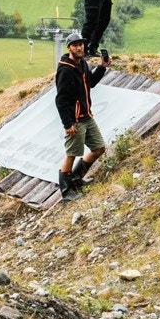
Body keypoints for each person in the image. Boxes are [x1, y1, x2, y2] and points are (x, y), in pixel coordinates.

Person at [54, 31, 108, 201]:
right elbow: (60, 99)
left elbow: (90, 83)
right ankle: (66, 190)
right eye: (75, 45)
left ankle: (76, 180)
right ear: (69, 47)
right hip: (75, 120)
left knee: (99, 148)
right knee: (72, 154)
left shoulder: (82, 63)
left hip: (87, 116)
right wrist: (67, 123)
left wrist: (102, 67)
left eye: (81, 44)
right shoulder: (65, 70)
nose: (79, 47)